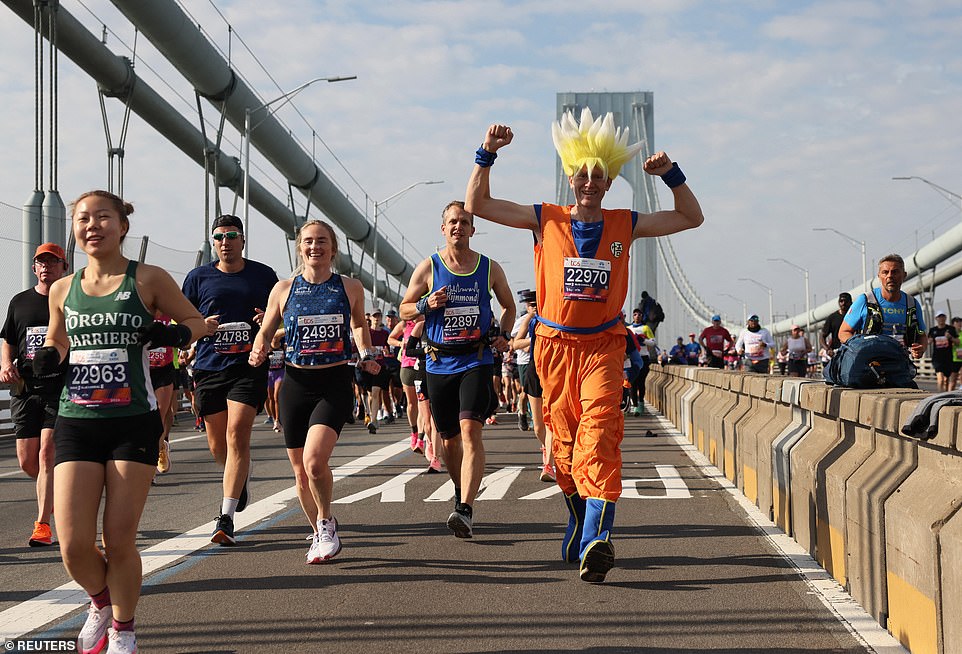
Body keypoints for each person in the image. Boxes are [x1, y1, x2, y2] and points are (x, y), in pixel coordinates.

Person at [464, 108, 703, 582]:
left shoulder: (625, 223)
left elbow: (690, 217)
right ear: (570, 177)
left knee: (599, 434)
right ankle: (578, 516)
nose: (589, 183)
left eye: (599, 176)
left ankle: (597, 536)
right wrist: (487, 154)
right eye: (582, 175)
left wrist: (672, 175)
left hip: (603, 348)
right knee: (566, 447)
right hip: (553, 349)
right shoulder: (544, 219)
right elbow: (478, 205)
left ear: (609, 182)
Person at [36, 190, 204, 653]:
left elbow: (197, 321)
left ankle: (124, 630)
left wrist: (174, 332)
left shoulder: (147, 278)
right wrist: (49, 357)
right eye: (83, 219)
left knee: (119, 538)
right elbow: (58, 338)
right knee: (71, 544)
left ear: (122, 226)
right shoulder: (62, 288)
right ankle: (100, 601)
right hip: (77, 419)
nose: (93, 226)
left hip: (133, 422)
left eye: (103, 218)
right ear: (74, 229)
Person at [249, 219, 380, 563]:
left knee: (315, 463)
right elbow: (265, 331)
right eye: (308, 241)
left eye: (322, 241)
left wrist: (366, 354)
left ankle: (326, 523)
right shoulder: (283, 289)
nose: (315, 247)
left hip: (333, 383)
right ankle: (320, 530)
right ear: (299, 247)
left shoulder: (349, 287)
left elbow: (358, 325)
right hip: (295, 385)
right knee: (300, 474)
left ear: (333, 248)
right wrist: (259, 348)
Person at [399, 200, 515, 540]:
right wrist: (425, 304)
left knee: (470, 430)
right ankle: (460, 488)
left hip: (475, 359)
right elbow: (404, 308)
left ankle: (465, 507)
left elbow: (508, 306)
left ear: (472, 229)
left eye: (464, 222)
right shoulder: (429, 267)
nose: (458, 227)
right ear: (443, 228)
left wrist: (504, 334)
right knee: (448, 439)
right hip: (438, 363)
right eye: (452, 221)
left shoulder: (489, 267)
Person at [181, 214, 278, 545]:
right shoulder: (198, 277)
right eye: (219, 237)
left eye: (232, 235)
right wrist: (198, 326)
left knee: (238, 434)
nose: (226, 241)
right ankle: (239, 480)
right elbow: (183, 317)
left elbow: (283, 312)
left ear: (243, 240)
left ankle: (226, 517)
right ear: (213, 242)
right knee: (217, 445)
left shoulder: (263, 275)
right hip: (209, 367)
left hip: (248, 366)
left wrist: (270, 319)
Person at [0, 243, 69, 547]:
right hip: (26, 389)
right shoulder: (20, 302)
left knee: (46, 453)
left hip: (60, 386)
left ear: (64, 268)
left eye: (53, 263)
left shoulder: (70, 301)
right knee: (29, 461)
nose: (46, 268)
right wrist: (5, 364)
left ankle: (42, 524)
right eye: (41, 263)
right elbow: (9, 339)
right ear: (34, 269)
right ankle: (53, 493)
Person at [838, 254, 928, 359]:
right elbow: (843, 332)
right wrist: (859, 347)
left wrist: (921, 348)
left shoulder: (912, 304)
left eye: (895, 272)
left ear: (904, 275)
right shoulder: (865, 300)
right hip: (868, 366)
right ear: (879, 276)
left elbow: (922, 335)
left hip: (899, 365)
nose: (890, 276)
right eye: (885, 272)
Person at [511, 290, 555, 480]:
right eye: (532, 304)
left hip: (554, 370)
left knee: (551, 421)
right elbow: (515, 344)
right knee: (538, 427)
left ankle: (549, 466)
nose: (535, 306)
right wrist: (534, 340)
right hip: (533, 370)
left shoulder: (555, 316)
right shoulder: (531, 320)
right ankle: (546, 447)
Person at [927, 311, 958, 392]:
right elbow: (928, 341)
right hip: (937, 358)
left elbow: (957, 342)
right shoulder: (933, 330)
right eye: (939, 317)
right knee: (940, 379)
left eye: (943, 317)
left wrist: (950, 337)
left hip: (948, 358)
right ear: (936, 318)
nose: (941, 319)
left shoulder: (951, 329)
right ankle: (939, 396)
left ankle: (945, 395)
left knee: (946, 380)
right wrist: (928, 341)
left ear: (945, 318)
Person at [819, 293, 853, 359]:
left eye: (846, 301)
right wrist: (827, 349)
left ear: (851, 302)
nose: (843, 303)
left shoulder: (855, 316)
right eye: (841, 301)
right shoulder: (832, 318)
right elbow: (822, 336)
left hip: (852, 351)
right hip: (837, 353)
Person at [951, 316, 962, 391]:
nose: (959, 323)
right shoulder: (949, 334)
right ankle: (948, 396)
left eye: (960, 322)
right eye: (957, 322)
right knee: (953, 381)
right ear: (953, 324)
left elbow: (958, 343)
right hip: (953, 359)